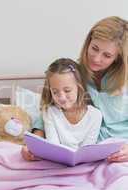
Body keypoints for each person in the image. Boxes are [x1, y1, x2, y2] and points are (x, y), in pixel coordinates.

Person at [21, 58, 102, 161]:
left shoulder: (95, 115)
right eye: (55, 92)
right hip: (58, 161)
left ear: (79, 87)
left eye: (67, 90)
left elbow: (86, 150)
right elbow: (54, 147)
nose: (62, 97)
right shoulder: (50, 112)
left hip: (83, 163)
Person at [78, 16, 128, 162]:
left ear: (118, 58)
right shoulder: (73, 73)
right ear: (89, 42)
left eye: (107, 55)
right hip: (88, 151)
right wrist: (37, 140)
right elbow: (50, 107)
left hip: (122, 151)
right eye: (94, 48)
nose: (96, 58)